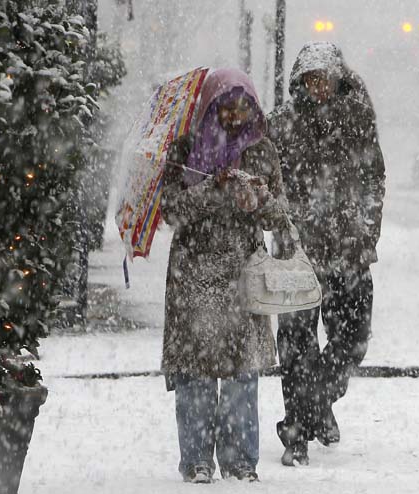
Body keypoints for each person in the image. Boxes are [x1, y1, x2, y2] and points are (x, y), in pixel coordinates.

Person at [161, 68, 289, 483]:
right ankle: (196, 458)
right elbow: (172, 211)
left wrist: (257, 198)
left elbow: (279, 213)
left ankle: (240, 461)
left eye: (243, 105)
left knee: (241, 373)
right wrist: (210, 191)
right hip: (193, 274)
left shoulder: (262, 151)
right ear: (210, 105)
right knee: (195, 372)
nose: (235, 114)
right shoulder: (184, 148)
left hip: (241, 275)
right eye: (226, 105)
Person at [267, 42, 386, 466]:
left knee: (352, 340)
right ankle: (296, 431)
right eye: (310, 78)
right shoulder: (280, 124)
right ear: (300, 81)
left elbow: (374, 178)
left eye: (324, 78)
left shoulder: (357, 119)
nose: (318, 86)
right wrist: (279, 220)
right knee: (296, 343)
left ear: (338, 79)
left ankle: (317, 403)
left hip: (350, 252)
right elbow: (265, 180)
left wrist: (367, 230)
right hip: (298, 255)